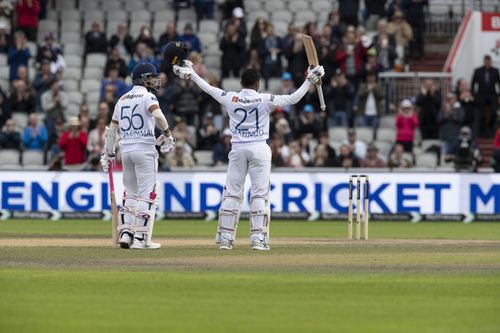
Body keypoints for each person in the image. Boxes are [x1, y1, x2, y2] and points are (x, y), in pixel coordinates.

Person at [172, 46, 324, 250]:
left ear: (241, 83)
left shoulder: (231, 97)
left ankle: (226, 238)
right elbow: (293, 99)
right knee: (259, 194)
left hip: (238, 149)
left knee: (232, 193)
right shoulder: (264, 99)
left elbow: (207, 88)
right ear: (257, 84)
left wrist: (192, 76)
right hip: (259, 148)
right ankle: (257, 239)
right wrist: (309, 79)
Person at [100, 61, 175, 250]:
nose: (154, 80)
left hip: (126, 152)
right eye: (151, 77)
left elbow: (112, 130)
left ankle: (126, 233)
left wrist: (108, 153)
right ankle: (141, 239)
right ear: (142, 79)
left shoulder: (121, 99)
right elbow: (158, 116)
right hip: (144, 150)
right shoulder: (147, 97)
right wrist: (167, 133)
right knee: (147, 195)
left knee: (130, 193)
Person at [471, 55, 500, 137]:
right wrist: (474, 96)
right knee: (480, 115)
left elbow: (499, 84)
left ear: (490, 62)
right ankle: (481, 133)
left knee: (495, 114)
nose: (487, 63)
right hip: (481, 97)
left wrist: (498, 96)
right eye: (486, 61)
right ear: (484, 62)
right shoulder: (478, 71)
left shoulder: (495, 71)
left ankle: (492, 133)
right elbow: (473, 84)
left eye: (489, 61)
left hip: (492, 96)